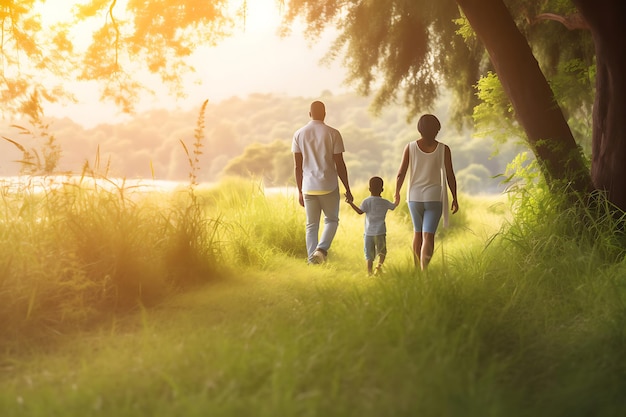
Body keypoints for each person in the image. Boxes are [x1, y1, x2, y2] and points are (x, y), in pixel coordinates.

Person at [394, 114, 458, 270]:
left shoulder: (410, 147)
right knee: (428, 236)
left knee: (417, 233)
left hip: (414, 197)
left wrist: (397, 192)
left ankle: (416, 270)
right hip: (434, 198)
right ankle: (424, 272)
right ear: (437, 129)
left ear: (419, 129)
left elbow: (401, 173)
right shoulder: (444, 149)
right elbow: (450, 175)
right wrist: (455, 198)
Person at [292, 100, 353, 264]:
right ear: (324, 114)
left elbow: (298, 167)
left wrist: (299, 191)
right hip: (328, 185)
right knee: (332, 220)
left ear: (309, 114)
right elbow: (340, 164)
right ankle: (321, 250)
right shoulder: (333, 133)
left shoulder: (299, 134)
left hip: (308, 187)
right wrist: (347, 188)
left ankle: (313, 261)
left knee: (311, 226)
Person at [346, 176, 398, 275]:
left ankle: (369, 273)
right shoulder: (385, 202)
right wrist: (396, 199)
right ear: (382, 189)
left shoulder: (366, 201)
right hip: (380, 232)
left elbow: (360, 212)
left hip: (368, 233)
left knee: (369, 254)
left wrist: (351, 203)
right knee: (382, 252)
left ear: (369, 189)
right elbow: (393, 206)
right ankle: (378, 267)